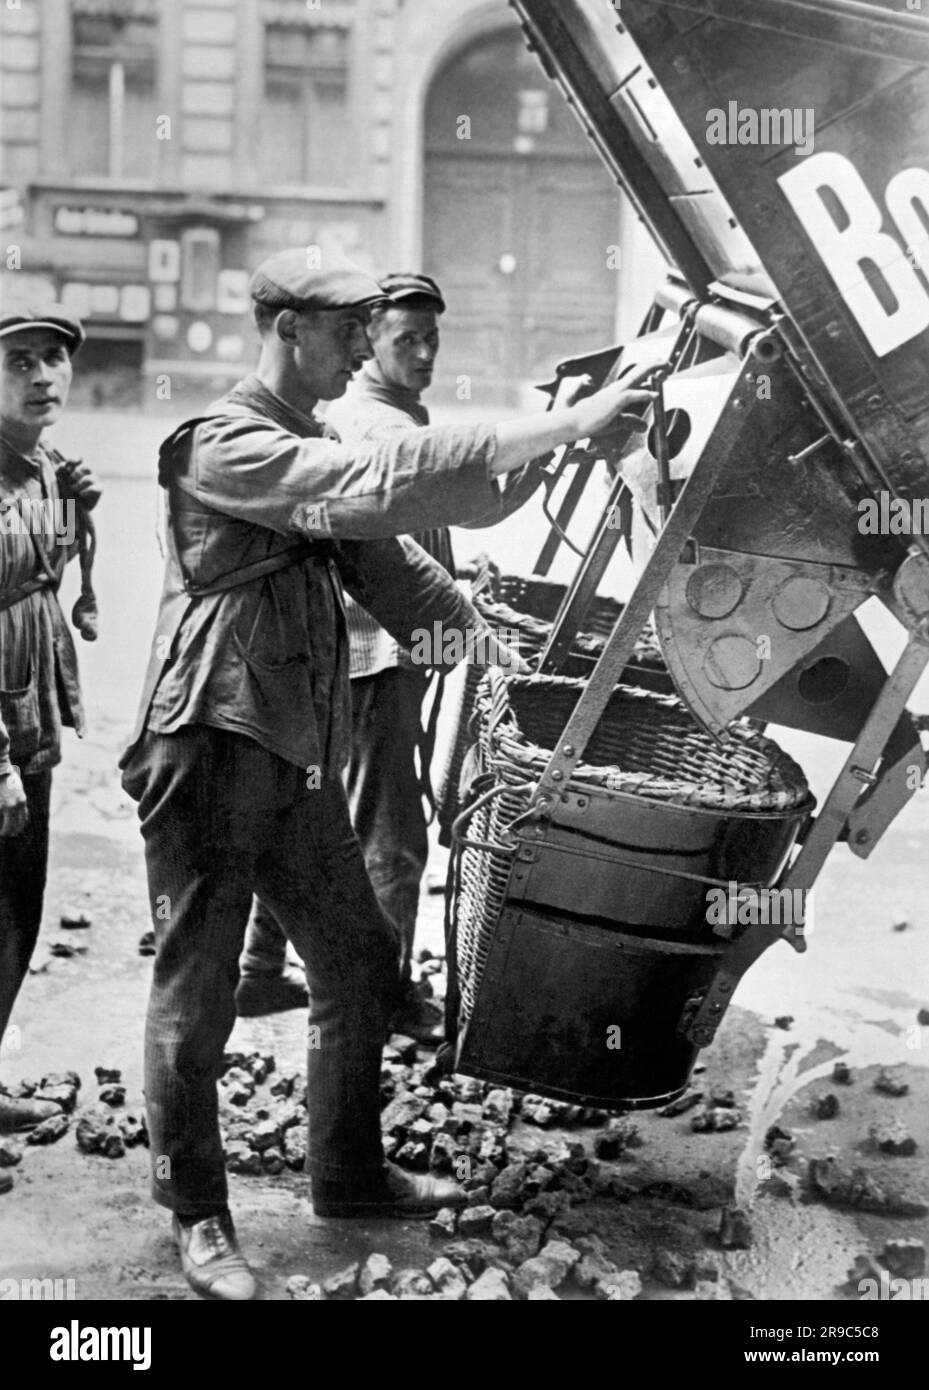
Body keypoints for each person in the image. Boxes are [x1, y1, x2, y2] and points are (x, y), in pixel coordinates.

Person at [119, 249, 653, 1300]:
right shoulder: (222, 444)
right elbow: (371, 484)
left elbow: (407, 578)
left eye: (373, 326)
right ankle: (197, 1214)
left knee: (359, 960)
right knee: (198, 990)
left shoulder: (306, 442)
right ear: (285, 328)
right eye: (348, 328)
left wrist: (510, 668)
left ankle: (345, 1171)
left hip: (288, 755)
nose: (366, 345)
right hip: (208, 748)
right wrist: (560, 425)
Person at [240, 271, 540, 1040]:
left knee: (319, 806)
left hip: (379, 649)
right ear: (366, 342)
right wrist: (553, 432)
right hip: (374, 653)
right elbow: (425, 482)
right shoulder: (369, 419)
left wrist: (546, 454)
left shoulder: (394, 411)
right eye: (406, 338)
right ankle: (380, 993)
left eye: (433, 338)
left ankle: (259, 971)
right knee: (390, 829)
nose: (425, 353)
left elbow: (458, 505)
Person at [0, 301, 101, 1164]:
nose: (43, 377)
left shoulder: (39, 469)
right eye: (20, 361)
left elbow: (36, 569)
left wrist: (66, 508)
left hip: (26, 713)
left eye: (53, 361)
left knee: (17, 912)